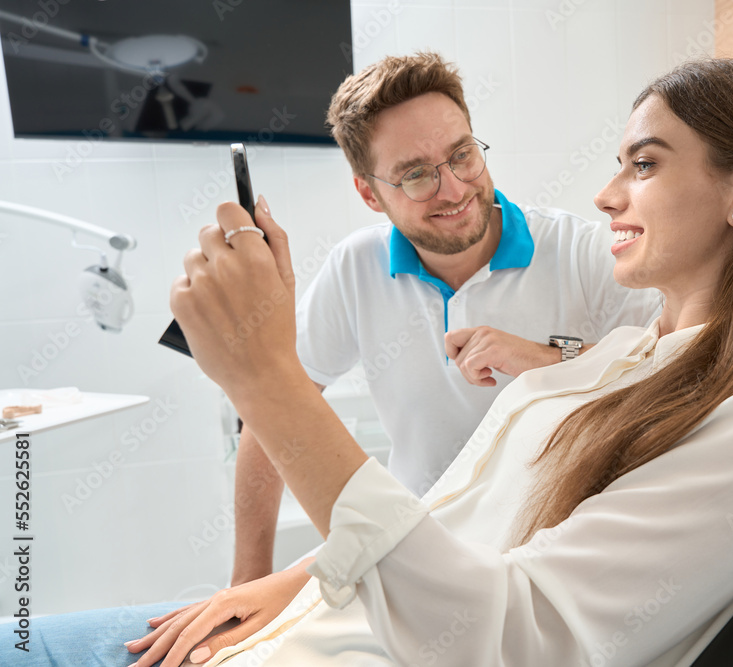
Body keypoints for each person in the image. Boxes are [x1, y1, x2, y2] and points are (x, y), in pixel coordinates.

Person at [2, 58, 733, 667]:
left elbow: (515, 638)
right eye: (414, 174)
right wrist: (286, 578)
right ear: (372, 193)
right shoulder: (633, 357)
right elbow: (454, 503)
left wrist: (263, 377)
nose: (607, 192)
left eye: (645, 162)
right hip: (356, 591)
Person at [231, 52, 662, 586]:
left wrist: (549, 361)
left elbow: (669, 371)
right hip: (414, 552)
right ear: (369, 192)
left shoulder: (579, 252)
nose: (454, 189)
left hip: (547, 557)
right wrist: (247, 580)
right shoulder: (355, 269)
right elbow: (272, 409)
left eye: (463, 156)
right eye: (415, 175)